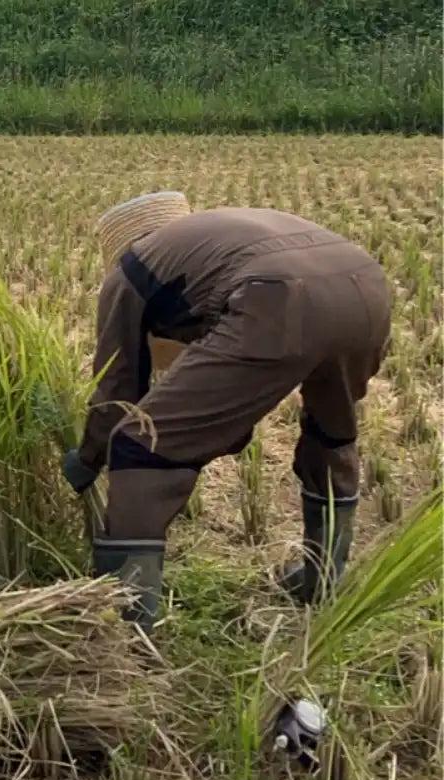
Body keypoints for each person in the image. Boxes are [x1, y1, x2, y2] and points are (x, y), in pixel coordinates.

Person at [61, 191, 391, 636]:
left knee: (139, 446)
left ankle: (126, 627)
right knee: (330, 432)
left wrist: (87, 458)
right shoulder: (212, 243)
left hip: (278, 296)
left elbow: (118, 388)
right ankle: (322, 580)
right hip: (366, 287)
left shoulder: (130, 272)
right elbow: (222, 385)